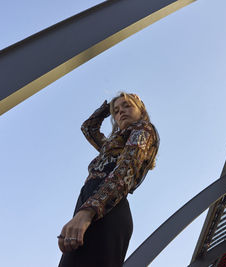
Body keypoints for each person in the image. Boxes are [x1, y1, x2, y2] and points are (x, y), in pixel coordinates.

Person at [58, 92, 159, 267]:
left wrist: (87, 212)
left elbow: (126, 170)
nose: (121, 112)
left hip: (107, 208)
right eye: (117, 111)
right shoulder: (110, 145)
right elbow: (88, 128)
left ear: (141, 110)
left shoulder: (143, 129)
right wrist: (107, 107)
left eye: (128, 106)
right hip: (88, 203)